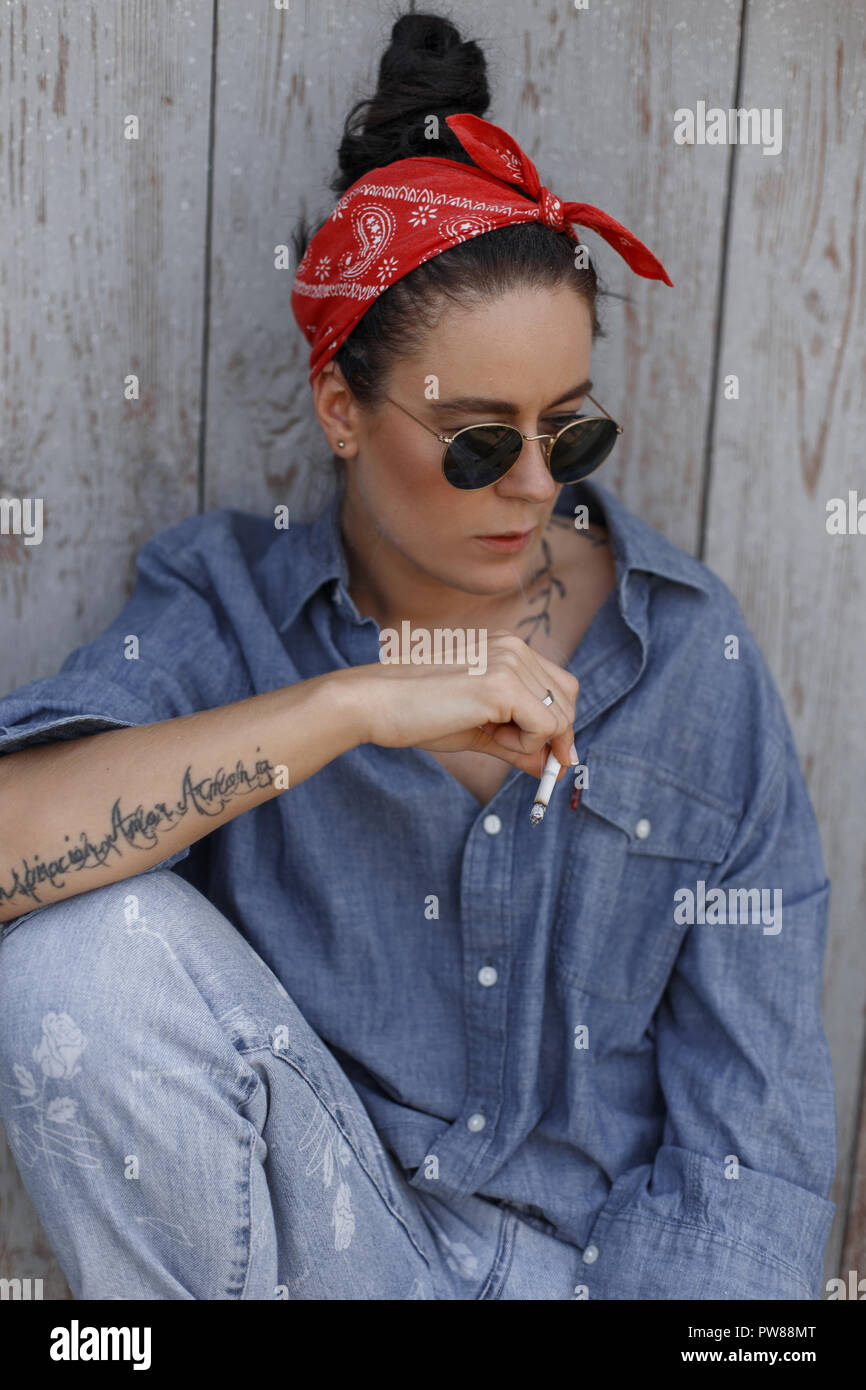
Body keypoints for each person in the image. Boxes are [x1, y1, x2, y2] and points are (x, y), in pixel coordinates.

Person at [0, 12, 836, 1300]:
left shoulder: (689, 661)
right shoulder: (227, 601)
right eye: (478, 440)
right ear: (340, 406)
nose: (535, 486)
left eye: (572, 431)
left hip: (590, 1284)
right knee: (75, 957)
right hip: (327, 1257)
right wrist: (347, 704)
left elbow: (753, 1150)